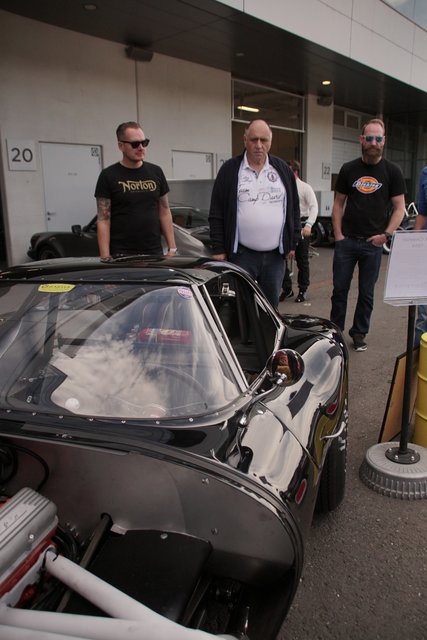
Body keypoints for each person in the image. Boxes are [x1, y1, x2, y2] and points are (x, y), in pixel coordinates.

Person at [330, 118, 405, 352]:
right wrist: (338, 235)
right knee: (339, 290)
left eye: (378, 138)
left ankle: (359, 333)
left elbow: (400, 208)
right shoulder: (348, 169)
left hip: (373, 244)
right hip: (347, 242)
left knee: (366, 293)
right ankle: (335, 332)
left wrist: (386, 235)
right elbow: (338, 203)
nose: (374, 143)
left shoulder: (392, 171)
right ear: (361, 139)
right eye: (369, 138)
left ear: (384, 141)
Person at [208, 119, 300, 308]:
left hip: (275, 257)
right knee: (240, 306)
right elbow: (216, 211)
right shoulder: (230, 170)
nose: (259, 145)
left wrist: (293, 241)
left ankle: (267, 329)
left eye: (263, 140)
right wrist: (218, 248)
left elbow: (294, 208)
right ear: (245, 140)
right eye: (254, 139)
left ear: (270, 142)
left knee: (270, 307)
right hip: (242, 256)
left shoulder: (282, 169)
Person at [95, 121, 177, 259]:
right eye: (135, 144)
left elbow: (164, 210)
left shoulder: (156, 172)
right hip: (121, 254)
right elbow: (103, 219)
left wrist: (172, 247)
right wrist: (105, 256)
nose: (141, 147)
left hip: (154, 253)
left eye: (144, 143)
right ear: (121, 146)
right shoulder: (108, 175)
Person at [280, 159, 318, 302]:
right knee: (280, 258)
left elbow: (314, 206)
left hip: (302, 225)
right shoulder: (282, 186)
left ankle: (303, 290)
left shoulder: (305, 188)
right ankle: (287, 289)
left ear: (295, 172)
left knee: (302, 260)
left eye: (288, 170)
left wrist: (309, 225)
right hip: (286, 226)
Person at [414, 166, 427, 348]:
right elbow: (422, 213)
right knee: (424, 314)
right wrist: (413, 248)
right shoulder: (425, 173)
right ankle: (418, 358)